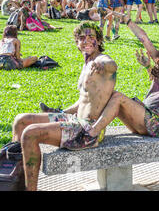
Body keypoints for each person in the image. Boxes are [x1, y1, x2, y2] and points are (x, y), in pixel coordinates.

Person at [10, 22, 117, 191]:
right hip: (75, 119)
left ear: (99, 40)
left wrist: (103, 65)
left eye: (91, 37)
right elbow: (84, 100)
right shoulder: (86, 63)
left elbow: (112, 64)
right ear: (76, 42)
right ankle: (15, 180)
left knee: (30, 133)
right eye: (82, 38)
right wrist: (61, 112)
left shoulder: (100, 60)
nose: (87, 41)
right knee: (21, 121)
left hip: (88, 130)